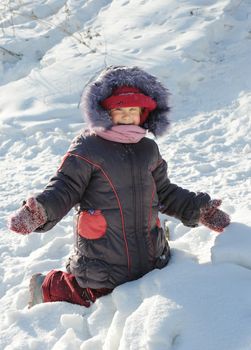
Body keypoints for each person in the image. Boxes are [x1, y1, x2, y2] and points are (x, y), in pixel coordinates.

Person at [8, 66, 230, 308]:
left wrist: (199, 209)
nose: (126, 117)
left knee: (146, 283)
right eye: (119, 110)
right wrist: (38, 211)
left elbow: (164, 191)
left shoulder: (148, 149)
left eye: (132, 111)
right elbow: (65, 188)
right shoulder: (89, 147)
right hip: (103, 255)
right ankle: (46, 286)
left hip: (149, 253)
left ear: (144, 113)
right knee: (95, 292)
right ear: (104, 111)